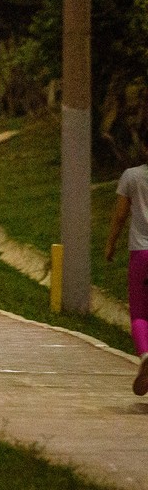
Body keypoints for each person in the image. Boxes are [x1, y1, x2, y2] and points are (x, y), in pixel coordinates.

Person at [105, 154, 148, 395]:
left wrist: (110, 244)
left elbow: (120, 216)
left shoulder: (131, 176)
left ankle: (145, 355)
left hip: (141, 254)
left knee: (140, 313)